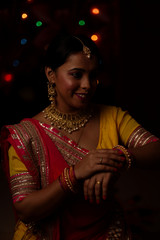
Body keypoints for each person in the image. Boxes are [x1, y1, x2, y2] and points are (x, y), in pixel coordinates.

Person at [1, 33, 160, 240]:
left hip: (108, 232)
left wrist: (118, 159)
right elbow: (25, 209)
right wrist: (74, 175)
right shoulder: (26, 135)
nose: (87, 84)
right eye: (76, 74)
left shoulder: (112, 117)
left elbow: (156, 149)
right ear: (51, 74)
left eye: (93, 75)